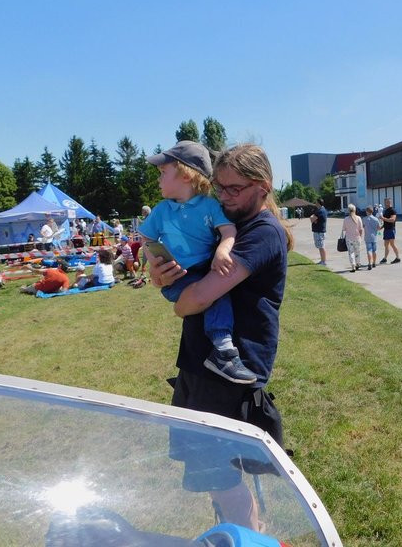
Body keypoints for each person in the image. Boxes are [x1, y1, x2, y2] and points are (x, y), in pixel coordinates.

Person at [146, 143, 294, 531]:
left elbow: (197, 298)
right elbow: (183, 275)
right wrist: (161, 274)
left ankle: (250, 537)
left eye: (234, 189)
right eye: (220, 187)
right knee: (212, 475)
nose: (224, 198)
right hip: (201, 361)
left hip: (231, 370)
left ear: (262, 187)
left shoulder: (261, 232)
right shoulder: (224, 223)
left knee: (221, 476)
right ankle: (240, 534)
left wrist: (179, 301)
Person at [140, 140, 255, 385]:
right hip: (177, 276)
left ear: (185, 175)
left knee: (209, 297)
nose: (158, 179)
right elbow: (146, 237)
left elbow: (228, 231)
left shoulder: (210, 206)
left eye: (163, 173)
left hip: (203, 269)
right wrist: (154, 263)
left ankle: (194, 371)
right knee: (215, 296)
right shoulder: (161, 211)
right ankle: (223, 351)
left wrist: (223, 252)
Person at [341, 203, 364, 272]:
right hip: (357, 238)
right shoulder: (358, 218)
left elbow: (344, 229)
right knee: (357, 252)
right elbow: (361, 229)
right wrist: (361, 236)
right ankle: (357, 263)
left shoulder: (346, 219)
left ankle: (353, 265)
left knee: (351, 252)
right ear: (355, 210)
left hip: (349, 238)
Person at [379, 198, 400, 264]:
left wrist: (383, 218)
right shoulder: (385, 210)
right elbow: (385, 222)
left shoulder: (392, 210)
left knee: (392, 244)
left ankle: (398, 258)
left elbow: (392, 219)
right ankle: (385, 258)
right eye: (385, 202)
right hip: (386, 229)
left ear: (390, 202)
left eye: (388, 202)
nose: (386, 203)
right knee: (386, 245)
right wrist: (381, 227)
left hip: (391, 229)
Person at [309, 197, 328, 265]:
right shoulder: (320, 210)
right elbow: (313, 219)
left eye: (316, 202)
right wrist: (314, 219)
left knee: (322, 246)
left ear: (319, 203)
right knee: (320, 246)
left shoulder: (320, 211)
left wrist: (313, 218)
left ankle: (324, 261)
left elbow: (311, 219)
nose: (315, 203)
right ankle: (322, 260)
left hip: (319, 231)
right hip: (318, 231)